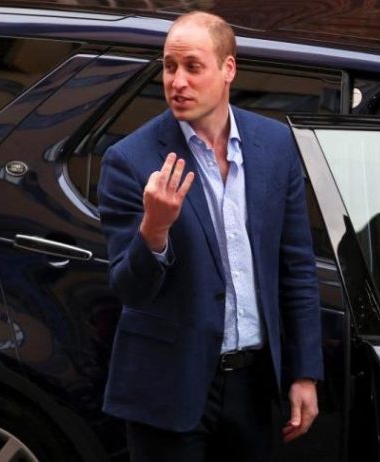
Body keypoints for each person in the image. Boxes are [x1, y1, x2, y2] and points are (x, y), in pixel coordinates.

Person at [97, 10, 323, 462]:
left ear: (228, 69)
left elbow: (296, 266)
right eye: (169, 66)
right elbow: (129, 290)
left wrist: (304, 373)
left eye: (192, 67)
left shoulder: (275, 145)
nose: (177, 82)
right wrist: (154, 229)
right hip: (167, 387)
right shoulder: (129, 160)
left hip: (251, 384)